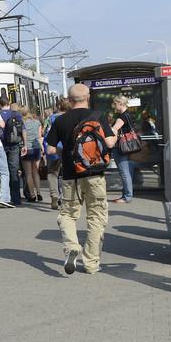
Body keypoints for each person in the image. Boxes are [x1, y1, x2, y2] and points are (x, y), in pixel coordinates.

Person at [45, 83, 116, 275]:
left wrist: (66, 150)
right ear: (88, 97)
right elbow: (109, 142)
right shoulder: (98, 116)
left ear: (68, 100)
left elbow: (50, 150)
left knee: (67, 215)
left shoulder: (61, 120)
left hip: (70, 176)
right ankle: (92, 264)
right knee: (96, 218)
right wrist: (115, 131)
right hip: (95, 175)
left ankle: (71, 247)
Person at [109, 94, 136, 204]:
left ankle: (127, 196)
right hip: (127, 145)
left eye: (115, 104)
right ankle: (126, 195)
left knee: (124, 172)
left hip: (121, 146)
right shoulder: (128, 115)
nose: (114, 106)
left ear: (121, 103)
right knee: (126, 171)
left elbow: (114, 130)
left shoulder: (122, 117)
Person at [45, 98, 70, 209]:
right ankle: (66, 197)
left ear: (58, 107)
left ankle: (55, 195)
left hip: (54, 148)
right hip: (67, 148)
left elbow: (48, 133)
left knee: (52, 173)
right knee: (67, 174)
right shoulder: (71, 117)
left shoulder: (51, 118)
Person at [20, 105, 43, 203]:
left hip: (26, 149)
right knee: (35, 172)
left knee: (28, 173)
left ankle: (32, 194)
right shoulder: (37, 122)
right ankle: (39, 193)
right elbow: (39, 136)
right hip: (36, 148)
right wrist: (42, 149)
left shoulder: (21, 123)